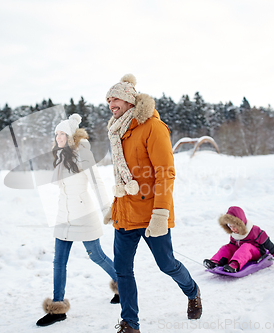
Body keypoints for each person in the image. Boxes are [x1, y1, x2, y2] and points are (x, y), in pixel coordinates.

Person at [102, 74, 202, 333]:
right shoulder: (117, 131)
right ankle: (130, 324)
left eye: (116, 98)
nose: (111, 103)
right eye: (109, 99)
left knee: (166, 264)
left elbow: (165, 172)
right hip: (125, 213)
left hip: (150, 213)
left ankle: (192, 291)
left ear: (129, 100)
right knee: (122, 271)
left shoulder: (153, 127)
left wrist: (161, 213)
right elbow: (123, 174)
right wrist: (113, 205)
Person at [36, 114, 119, 327]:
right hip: (64, 215)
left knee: (96, 255)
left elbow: (97, 182)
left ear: (70, 135)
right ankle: (57, 308)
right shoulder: (61, 156)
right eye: (56, 134)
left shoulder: (83, 153)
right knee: (59, 262)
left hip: (84, 214)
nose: (58, 137)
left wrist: (106, 209)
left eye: (62, 134)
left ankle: (123, 285)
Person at [203, 206, 274, 273]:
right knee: (227, 247)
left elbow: (268, 243)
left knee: (246, 246)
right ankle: (215, 261)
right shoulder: (234, 233)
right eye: (230, 226)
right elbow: (231, 247)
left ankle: (235, 265)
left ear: (240, 224)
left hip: (255, 253)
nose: (232, 229)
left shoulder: (254, 230)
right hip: (241, 253)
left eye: (234, 226)